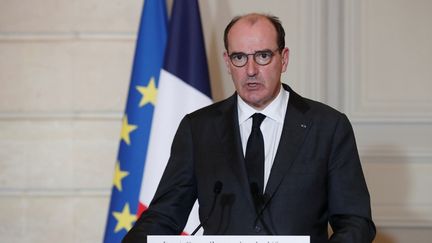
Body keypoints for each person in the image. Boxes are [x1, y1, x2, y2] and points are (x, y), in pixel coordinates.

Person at [123, 13, 376, 243]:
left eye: (263, 56)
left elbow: (355, 222)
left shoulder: (328, 127)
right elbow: (164, 216)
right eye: (240, 57)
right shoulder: (198, 128)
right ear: (227, 61)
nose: (251, 70)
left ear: (284, 59)